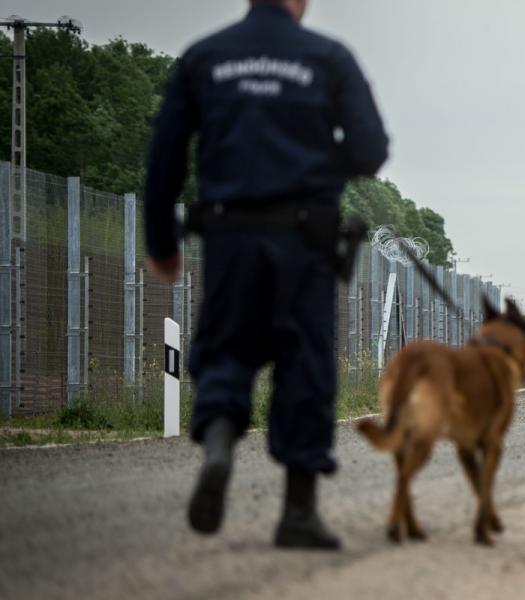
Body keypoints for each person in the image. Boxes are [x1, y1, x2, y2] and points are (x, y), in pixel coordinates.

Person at [143, 0, 388, 550]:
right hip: (304, 240)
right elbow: (372, 149)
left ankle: (221, 449)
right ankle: (297, 513)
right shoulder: (329, 58)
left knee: (227, 348)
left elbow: (164, 158)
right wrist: (317, 164)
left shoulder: (204, 56)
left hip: (229, 237)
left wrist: (162, 241)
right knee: (304, 360)